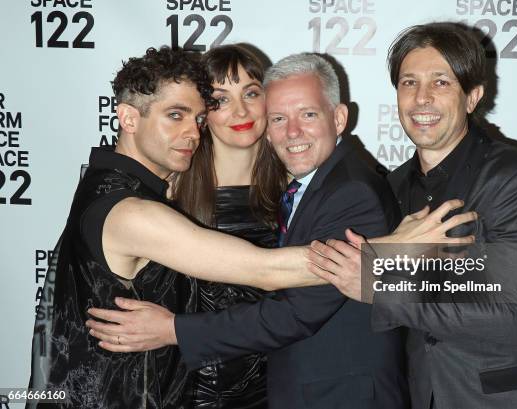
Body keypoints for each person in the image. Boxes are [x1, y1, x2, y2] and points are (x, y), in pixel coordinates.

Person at [86, 52, 475, 408]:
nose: (292, 131)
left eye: (307, 115)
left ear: (338, 118)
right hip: (197, 381)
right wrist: (387, 248)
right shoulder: (167, 191)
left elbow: (289, 303)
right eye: (280, 118)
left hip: (323, 390)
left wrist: (174, 330)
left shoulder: (345, 190)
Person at [27, 46, 322, 409]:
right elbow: (264, 270)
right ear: (128, 118)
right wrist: (383, 260)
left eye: (198, 119)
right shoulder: (132, 213)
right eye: (175, 115)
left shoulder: (117, 187)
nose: (192, 134)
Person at [308, 22, 517, 409]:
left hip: (499, 399)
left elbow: (510, 317)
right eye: (409, 83)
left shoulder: (515, 177)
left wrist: (381, 286)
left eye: (441, 83)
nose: (421, 99)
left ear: (472, 96)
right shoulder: (389, 188)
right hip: (418, 393)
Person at [173, 44, 285, 409]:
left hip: (277, 374)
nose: (241, 111)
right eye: (221, 100)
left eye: (251, 93)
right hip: (191, 378)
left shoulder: (296, 183)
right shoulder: (173, 184)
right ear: (203, 112)